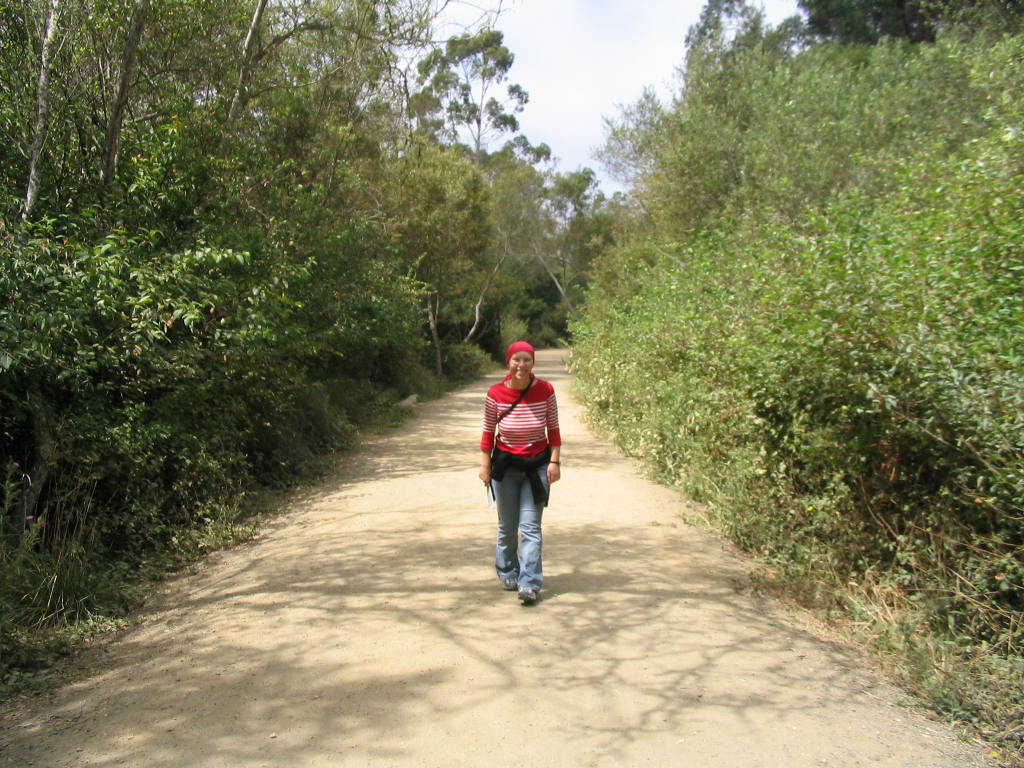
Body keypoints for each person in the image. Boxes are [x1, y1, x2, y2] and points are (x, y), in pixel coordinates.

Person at [479, 341, 561, 605]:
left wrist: (555, 462)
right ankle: (507, 571)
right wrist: (485, 466)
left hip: (537, 466)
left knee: (531, 527)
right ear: (508, 362)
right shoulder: (495, 393)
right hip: (506, 467)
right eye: (517, 359)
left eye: (527, 360)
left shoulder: (545, 390)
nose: (521, 365)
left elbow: (554, 429)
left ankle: (530, 582)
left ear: (533, 362)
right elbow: (488, 433)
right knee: (507, 526)